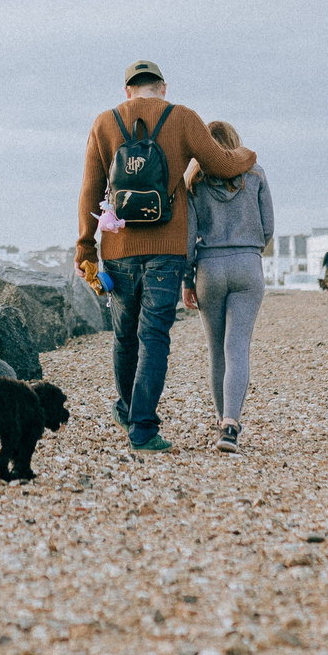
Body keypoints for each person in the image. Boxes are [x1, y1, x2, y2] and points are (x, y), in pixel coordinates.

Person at [76, 60, 256, 453]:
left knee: (125, 336)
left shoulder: (104, 122)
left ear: (128, 91)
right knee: (153, 337)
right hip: (167, 250)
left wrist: (85, 247)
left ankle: (128, 410)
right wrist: (249, 155)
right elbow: (222, 165)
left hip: (118, 250)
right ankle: (142, 428)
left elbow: (90, 191)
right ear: (163, 87)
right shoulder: (183, 117)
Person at [183, 121, 270, 453]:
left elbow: (189, 239)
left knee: (216, 351)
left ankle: (223, 427)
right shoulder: (256, 173)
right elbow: (268, 226)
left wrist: (188, 281)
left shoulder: (194, 179)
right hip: (248, 265)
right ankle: (231, 423)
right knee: (237, 348)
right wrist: (249, 247)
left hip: (210, 268)